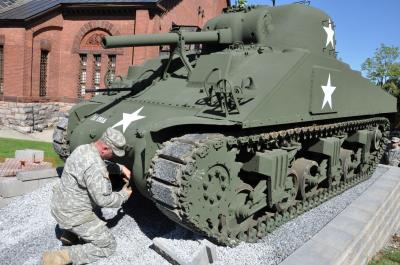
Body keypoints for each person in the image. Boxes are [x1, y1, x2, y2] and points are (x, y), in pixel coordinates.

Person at [42, 128, 132, 265]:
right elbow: (104, 200)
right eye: (113, 153)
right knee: (108, 246)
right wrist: (124, 194)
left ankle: (70, 234)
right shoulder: (96, 167)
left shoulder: (83, 149)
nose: (113, 156)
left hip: (59, 205)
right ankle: (58, 258)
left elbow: (99, 162)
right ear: (104, 148)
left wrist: (119, 168)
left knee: (88, 205)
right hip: (73, 214)